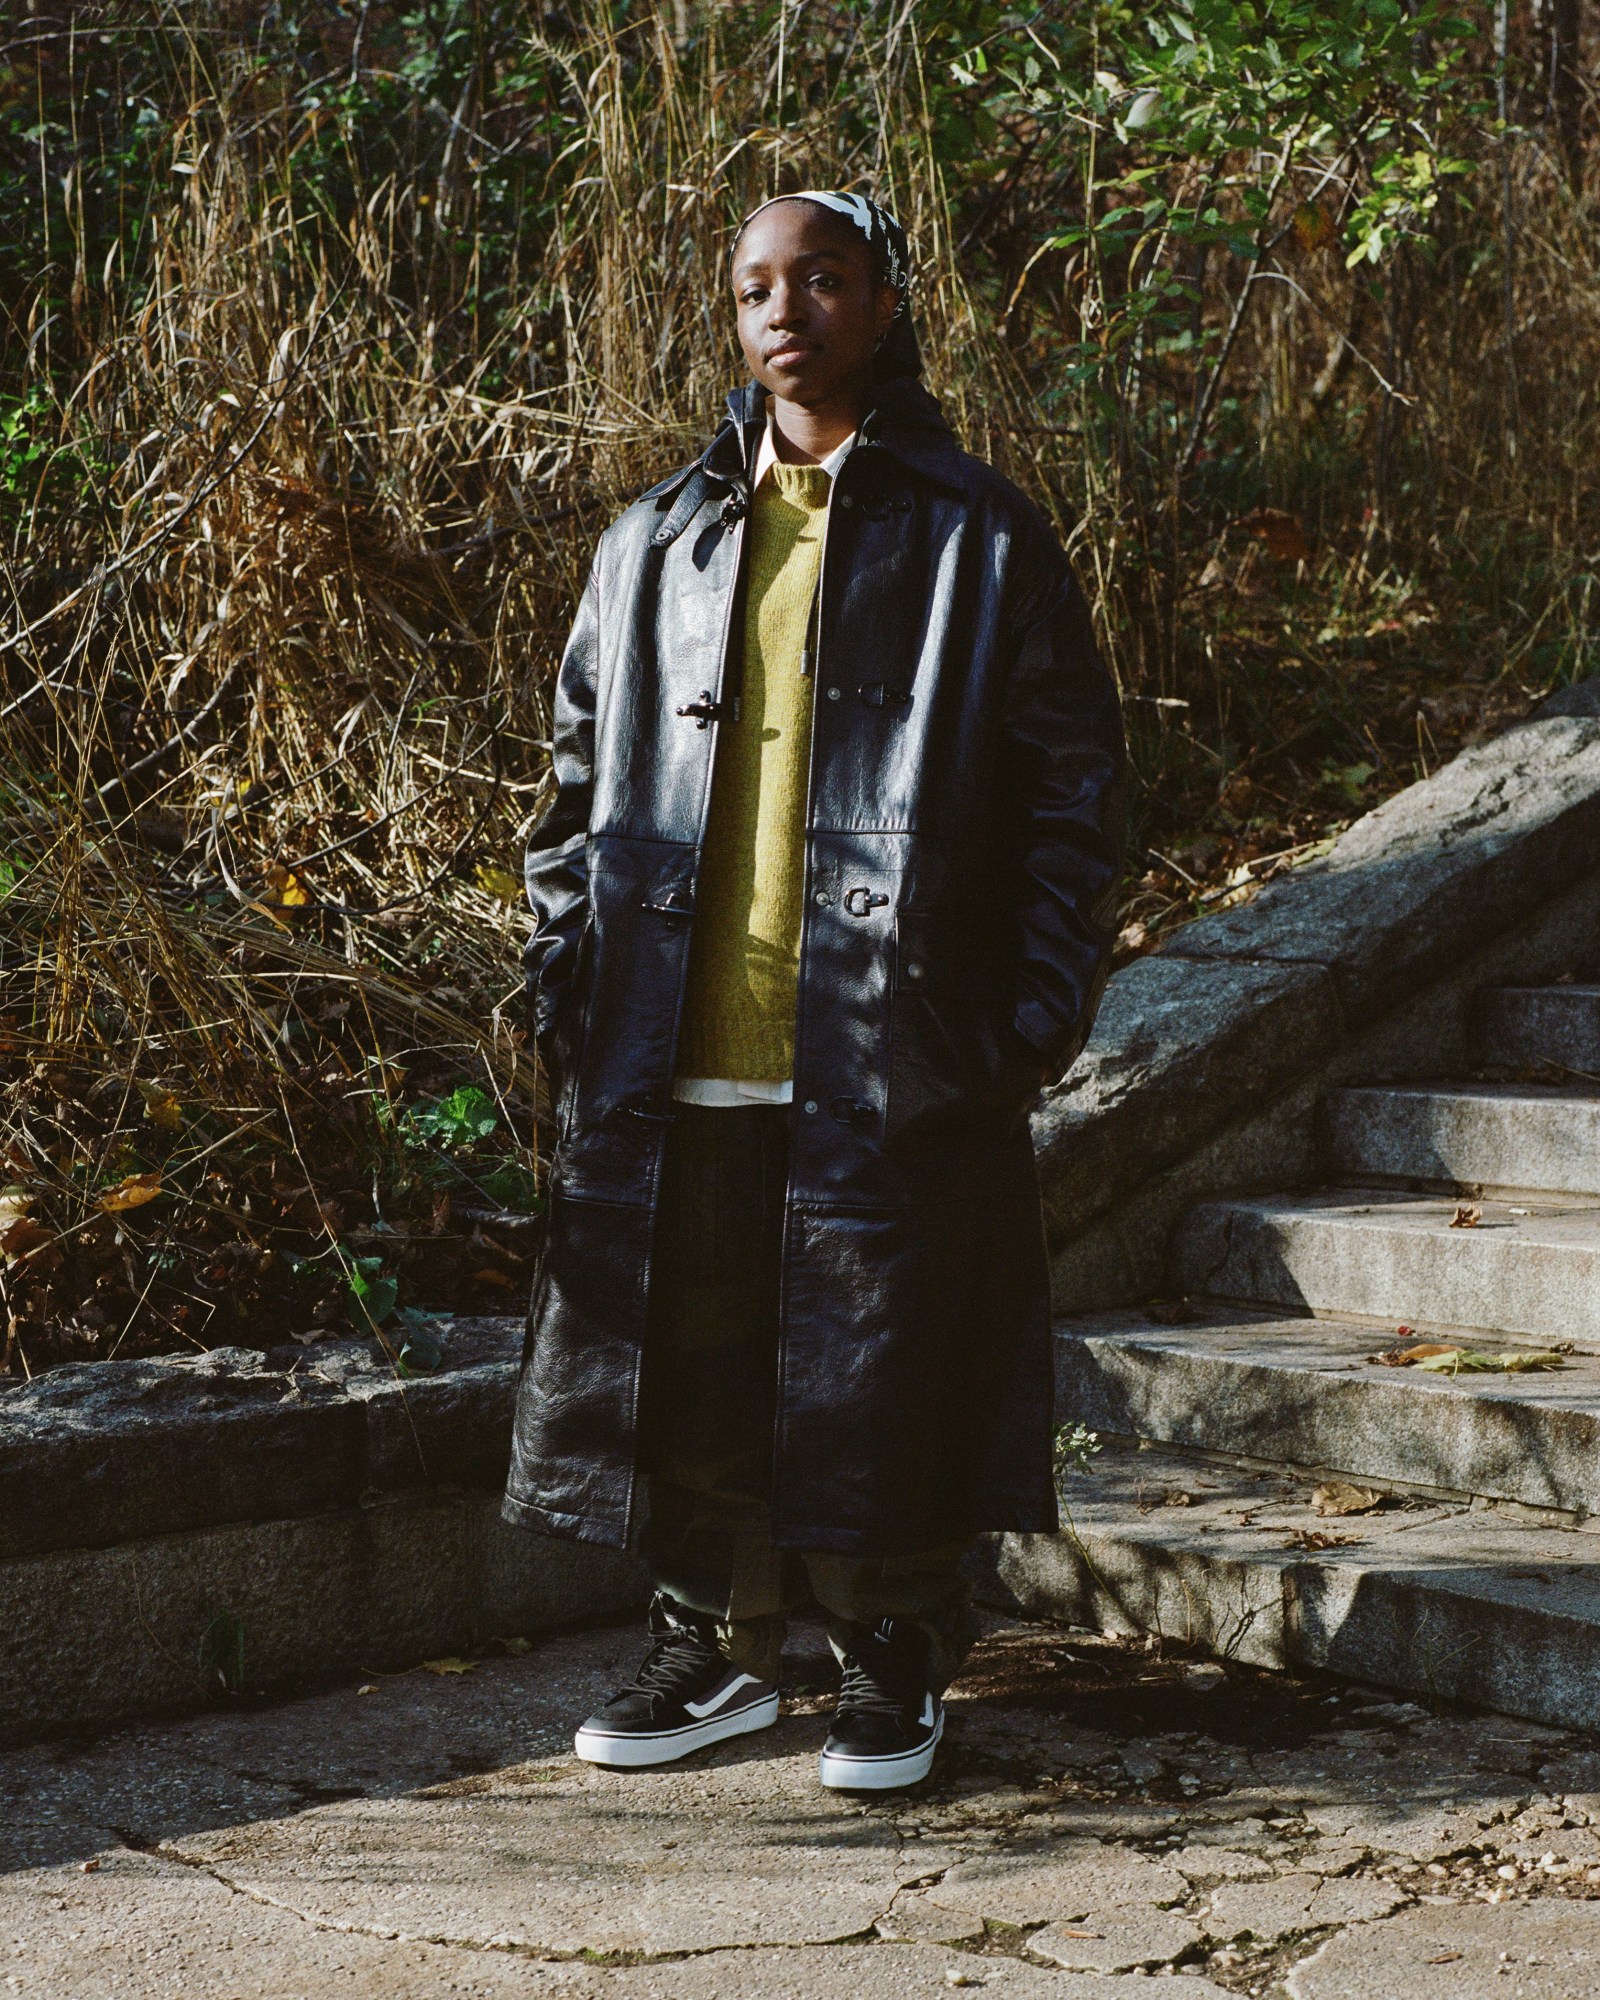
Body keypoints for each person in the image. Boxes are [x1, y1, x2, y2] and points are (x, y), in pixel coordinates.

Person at [504, 188, 1125, 1791]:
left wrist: (1023, 1023)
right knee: (695, 1340)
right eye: (759, 287)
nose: (788, 310)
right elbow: (573, 795)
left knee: (888, 1346)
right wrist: (571, 978)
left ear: (886, 302)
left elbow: (1079, 803)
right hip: (677, 1033)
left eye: (824, 279)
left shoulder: (983, 537)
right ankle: (708, 1641)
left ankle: (893, 1650)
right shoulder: (655, 541)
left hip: (890, 1037)